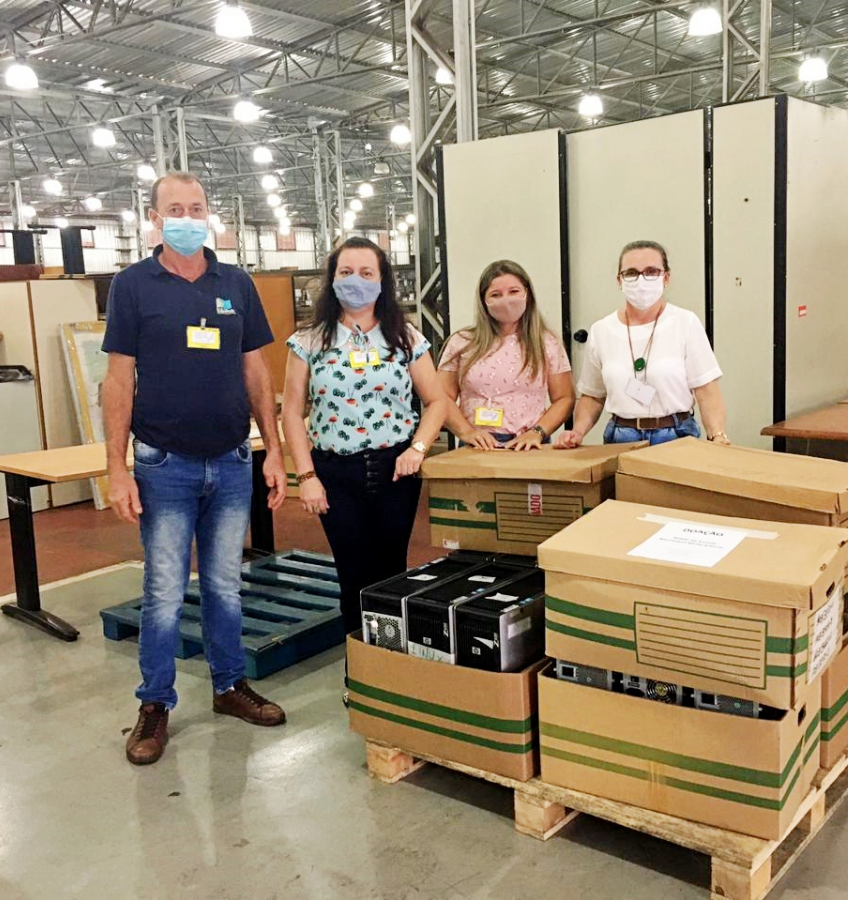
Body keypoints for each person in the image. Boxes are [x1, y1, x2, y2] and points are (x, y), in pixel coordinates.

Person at [103, 172, 288, 767]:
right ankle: (155, 703)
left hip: (231, 460)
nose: (187, 218)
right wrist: (116, 467)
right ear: (155, 219)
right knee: (163, 591)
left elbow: (256, 371)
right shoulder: (133, 285)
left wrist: (274, 449)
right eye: (175, 209)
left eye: (197, 207)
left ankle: (229, 685)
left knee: (224, 585)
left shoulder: (236, 283)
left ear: (210, 214)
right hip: (164, 464)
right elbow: (118, 381)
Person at [282, 237, 449, 635]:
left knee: (392, 571)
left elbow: (436, 401)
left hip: (395, 471)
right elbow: (291, 411)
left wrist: (418, 448)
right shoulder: (309, 340)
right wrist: (306, 476)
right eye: (346, 272)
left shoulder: (404, 336)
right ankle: (359, 659)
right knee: (353, 573)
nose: (355, 280)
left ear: (382, 280)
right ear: (332, 278)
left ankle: (389, 657)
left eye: (366, 273)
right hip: (335, 473)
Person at [556, 240, 729, 448]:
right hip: (621, 437)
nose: (641, 280)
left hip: (676, 435)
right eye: (631, 273)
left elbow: (706, 390)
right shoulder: (601, 330)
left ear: (666, 277)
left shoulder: (685, 323)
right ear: (619, 280)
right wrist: (577, 432)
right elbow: (593, 396)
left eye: (651, 271)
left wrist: (717, 435)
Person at [439, 260, 574, 450]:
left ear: (527, 294)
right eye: (496, 294)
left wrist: (537, 432)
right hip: (477, 445)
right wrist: (466, 432)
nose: (506, 300)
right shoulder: (462, 342)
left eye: (513, 291)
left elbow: (564, 398)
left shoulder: (547, 342)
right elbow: (440, 397)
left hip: (527, 445)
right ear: (483, 301)